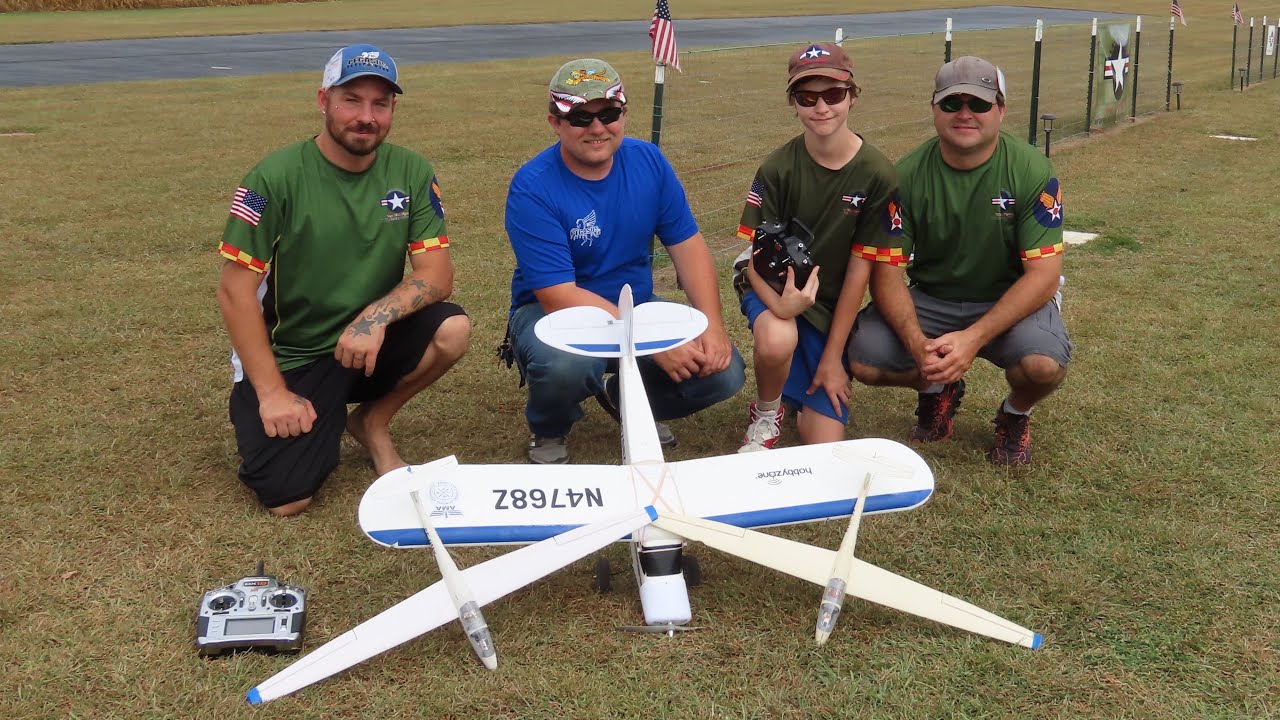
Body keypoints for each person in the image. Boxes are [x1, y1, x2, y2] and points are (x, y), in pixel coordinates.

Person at [216, 44, 471, 516]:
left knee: (452, 329)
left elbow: (437, 275)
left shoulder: (412, 171)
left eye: (380, 103)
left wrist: (373, 318)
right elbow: (235, 292)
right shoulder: (270, 178)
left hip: (367, 342)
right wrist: (272, 394)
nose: (366, 117)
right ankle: (296, 407)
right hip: (294, 352)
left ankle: (372, 422)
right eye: (352, 100)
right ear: (323, 100)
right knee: (288, 498)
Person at [502, 57, 745, 464]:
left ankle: (631, 401)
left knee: (724, 372)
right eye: (580, 118)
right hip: (555, 311)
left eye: (609, 114)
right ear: (555, 123)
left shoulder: (649, 161)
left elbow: (689, 248)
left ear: (623, 114)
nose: (597, 128)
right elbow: (557, 295)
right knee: (565, 365)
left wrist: (713, 325)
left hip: (635, 304)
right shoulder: (532, 186)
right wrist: (646, 341)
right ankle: (549, 427)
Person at [848, 56, 1071, 466]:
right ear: (934, 108)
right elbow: (887, 274)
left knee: (1042, 366)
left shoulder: (1032, 170)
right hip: (933, 297)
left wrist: (973, 337)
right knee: (864, 359)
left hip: (1008, 297)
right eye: (952, 103)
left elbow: (1044, 276)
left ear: (1000, 109)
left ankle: (1015, 413)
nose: (965, 114)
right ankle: (938, 389)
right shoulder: (906, 175)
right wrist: (918, 346)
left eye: (979, 104)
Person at [732, 42, 902, 452]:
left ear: (852, 96)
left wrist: (831, 359)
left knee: (825, 444)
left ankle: (799, 385)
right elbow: (755, 258)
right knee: (778, 337)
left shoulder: (878, 174)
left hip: (829, 305)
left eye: (833, 94)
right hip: (770, 286)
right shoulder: (777, 169)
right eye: (807, 98)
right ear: (793, 103)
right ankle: (767, 413)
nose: (822, 107)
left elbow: (860, 272)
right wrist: (781, 306)